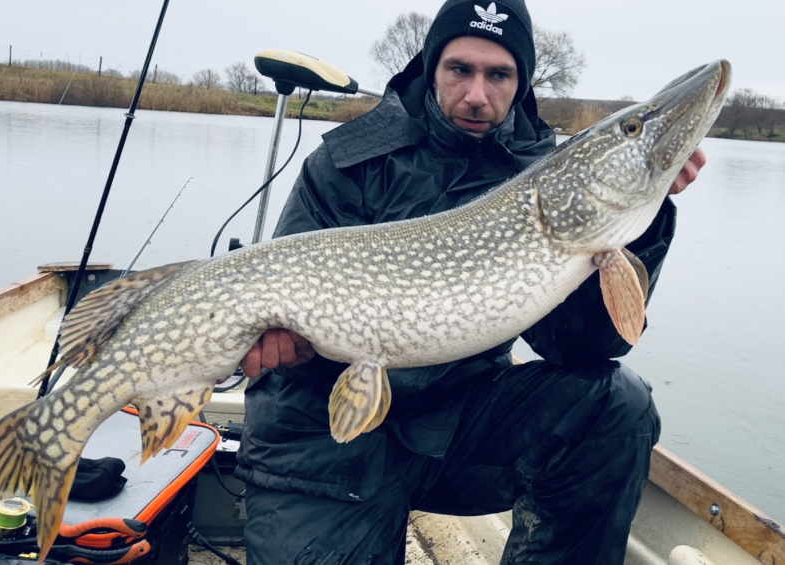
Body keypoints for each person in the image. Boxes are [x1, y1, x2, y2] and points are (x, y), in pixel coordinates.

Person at [233, 0, 706, 563]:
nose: (477, 94)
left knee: (613, 404)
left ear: (520, 80)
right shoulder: (347, 162)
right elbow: (283, 297)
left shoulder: (545, 181)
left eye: (498, 74)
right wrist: (294, 347)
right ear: (432, 67)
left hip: (456, 427)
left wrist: (642, 227)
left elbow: (581, 348)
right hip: (320, 438)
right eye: (461, 69)